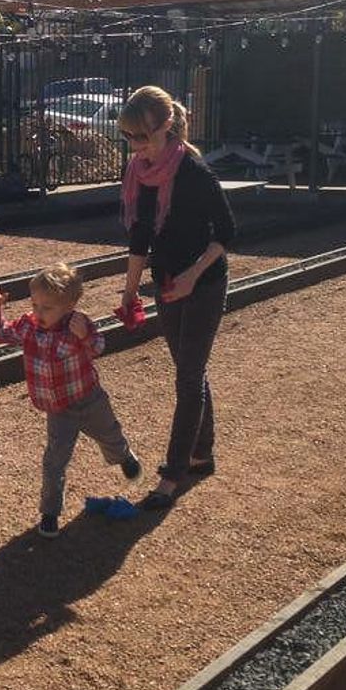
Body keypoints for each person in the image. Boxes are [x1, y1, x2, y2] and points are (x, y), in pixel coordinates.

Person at [118, 86, 235, 511]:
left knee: (188, 376)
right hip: (166, 281)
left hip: (202, 282)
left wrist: (190, 277)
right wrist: (130, 291)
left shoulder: (196, 174)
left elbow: (226, 233)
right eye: (128, 137)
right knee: (190, 369)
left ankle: (173, 473)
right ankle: (202, 454)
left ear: (166, 128)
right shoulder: (141, 174)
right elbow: (140, 236)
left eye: (142, 137)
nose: (136, 147)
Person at [0, 261, 142, 539]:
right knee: (54, 460)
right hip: (59, 409)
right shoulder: (29, 326)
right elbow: (2, 334)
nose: (38, 312)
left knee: (110, 435)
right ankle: (50, 512)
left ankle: (124, 456)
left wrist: (84, 337)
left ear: (69, 306)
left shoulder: (78, 324)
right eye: (35, 304)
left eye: (47, 307)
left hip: (89, 398)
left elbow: (98, 347)